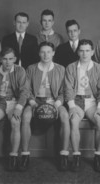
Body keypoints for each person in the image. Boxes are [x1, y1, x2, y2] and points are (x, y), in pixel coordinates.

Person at [20, 41, 70, 171]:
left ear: (53, 53)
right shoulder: (31, 68)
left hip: (54, 101)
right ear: (39, 53)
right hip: (36, 101)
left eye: (48, 52)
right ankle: (25, 155)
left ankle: (64, 155)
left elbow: (63, 91)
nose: (46, 55)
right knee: (25, 117)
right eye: (43, 52)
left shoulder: (61, 69)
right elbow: (27, 89)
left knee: (65, 116)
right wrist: (32, 102)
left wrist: (57, 103)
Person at [65, 39, 100, 172]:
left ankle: (99, 156)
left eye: (87, 51)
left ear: (92, 52)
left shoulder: (98, 68)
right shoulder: (71, 67)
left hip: (92, 101)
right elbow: (68, 89)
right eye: (81, 50)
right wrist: (71, 106)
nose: (84, 54)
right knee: (73, 120)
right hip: (77, 101)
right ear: (78, 52)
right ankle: (77, 156)